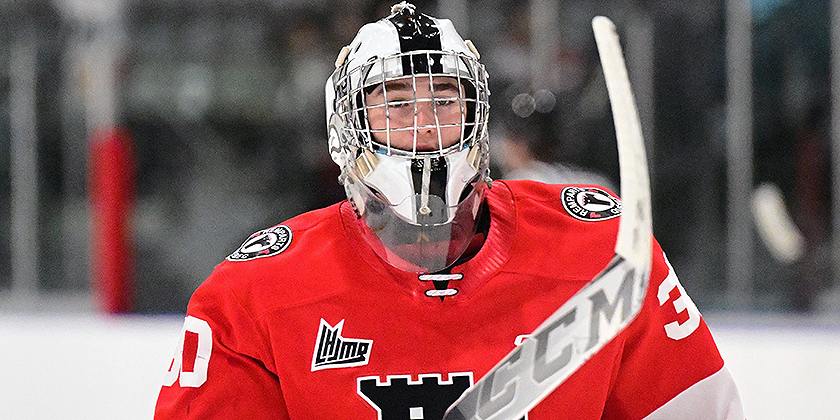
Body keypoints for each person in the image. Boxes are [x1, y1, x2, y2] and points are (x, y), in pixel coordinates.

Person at [154, 3, 744, 419]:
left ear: (479, 120)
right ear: (346, 128)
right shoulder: (255, 291)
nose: (425, 126)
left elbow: (702, 412)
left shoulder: (599, 248)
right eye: (395, 103)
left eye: (444, 101)